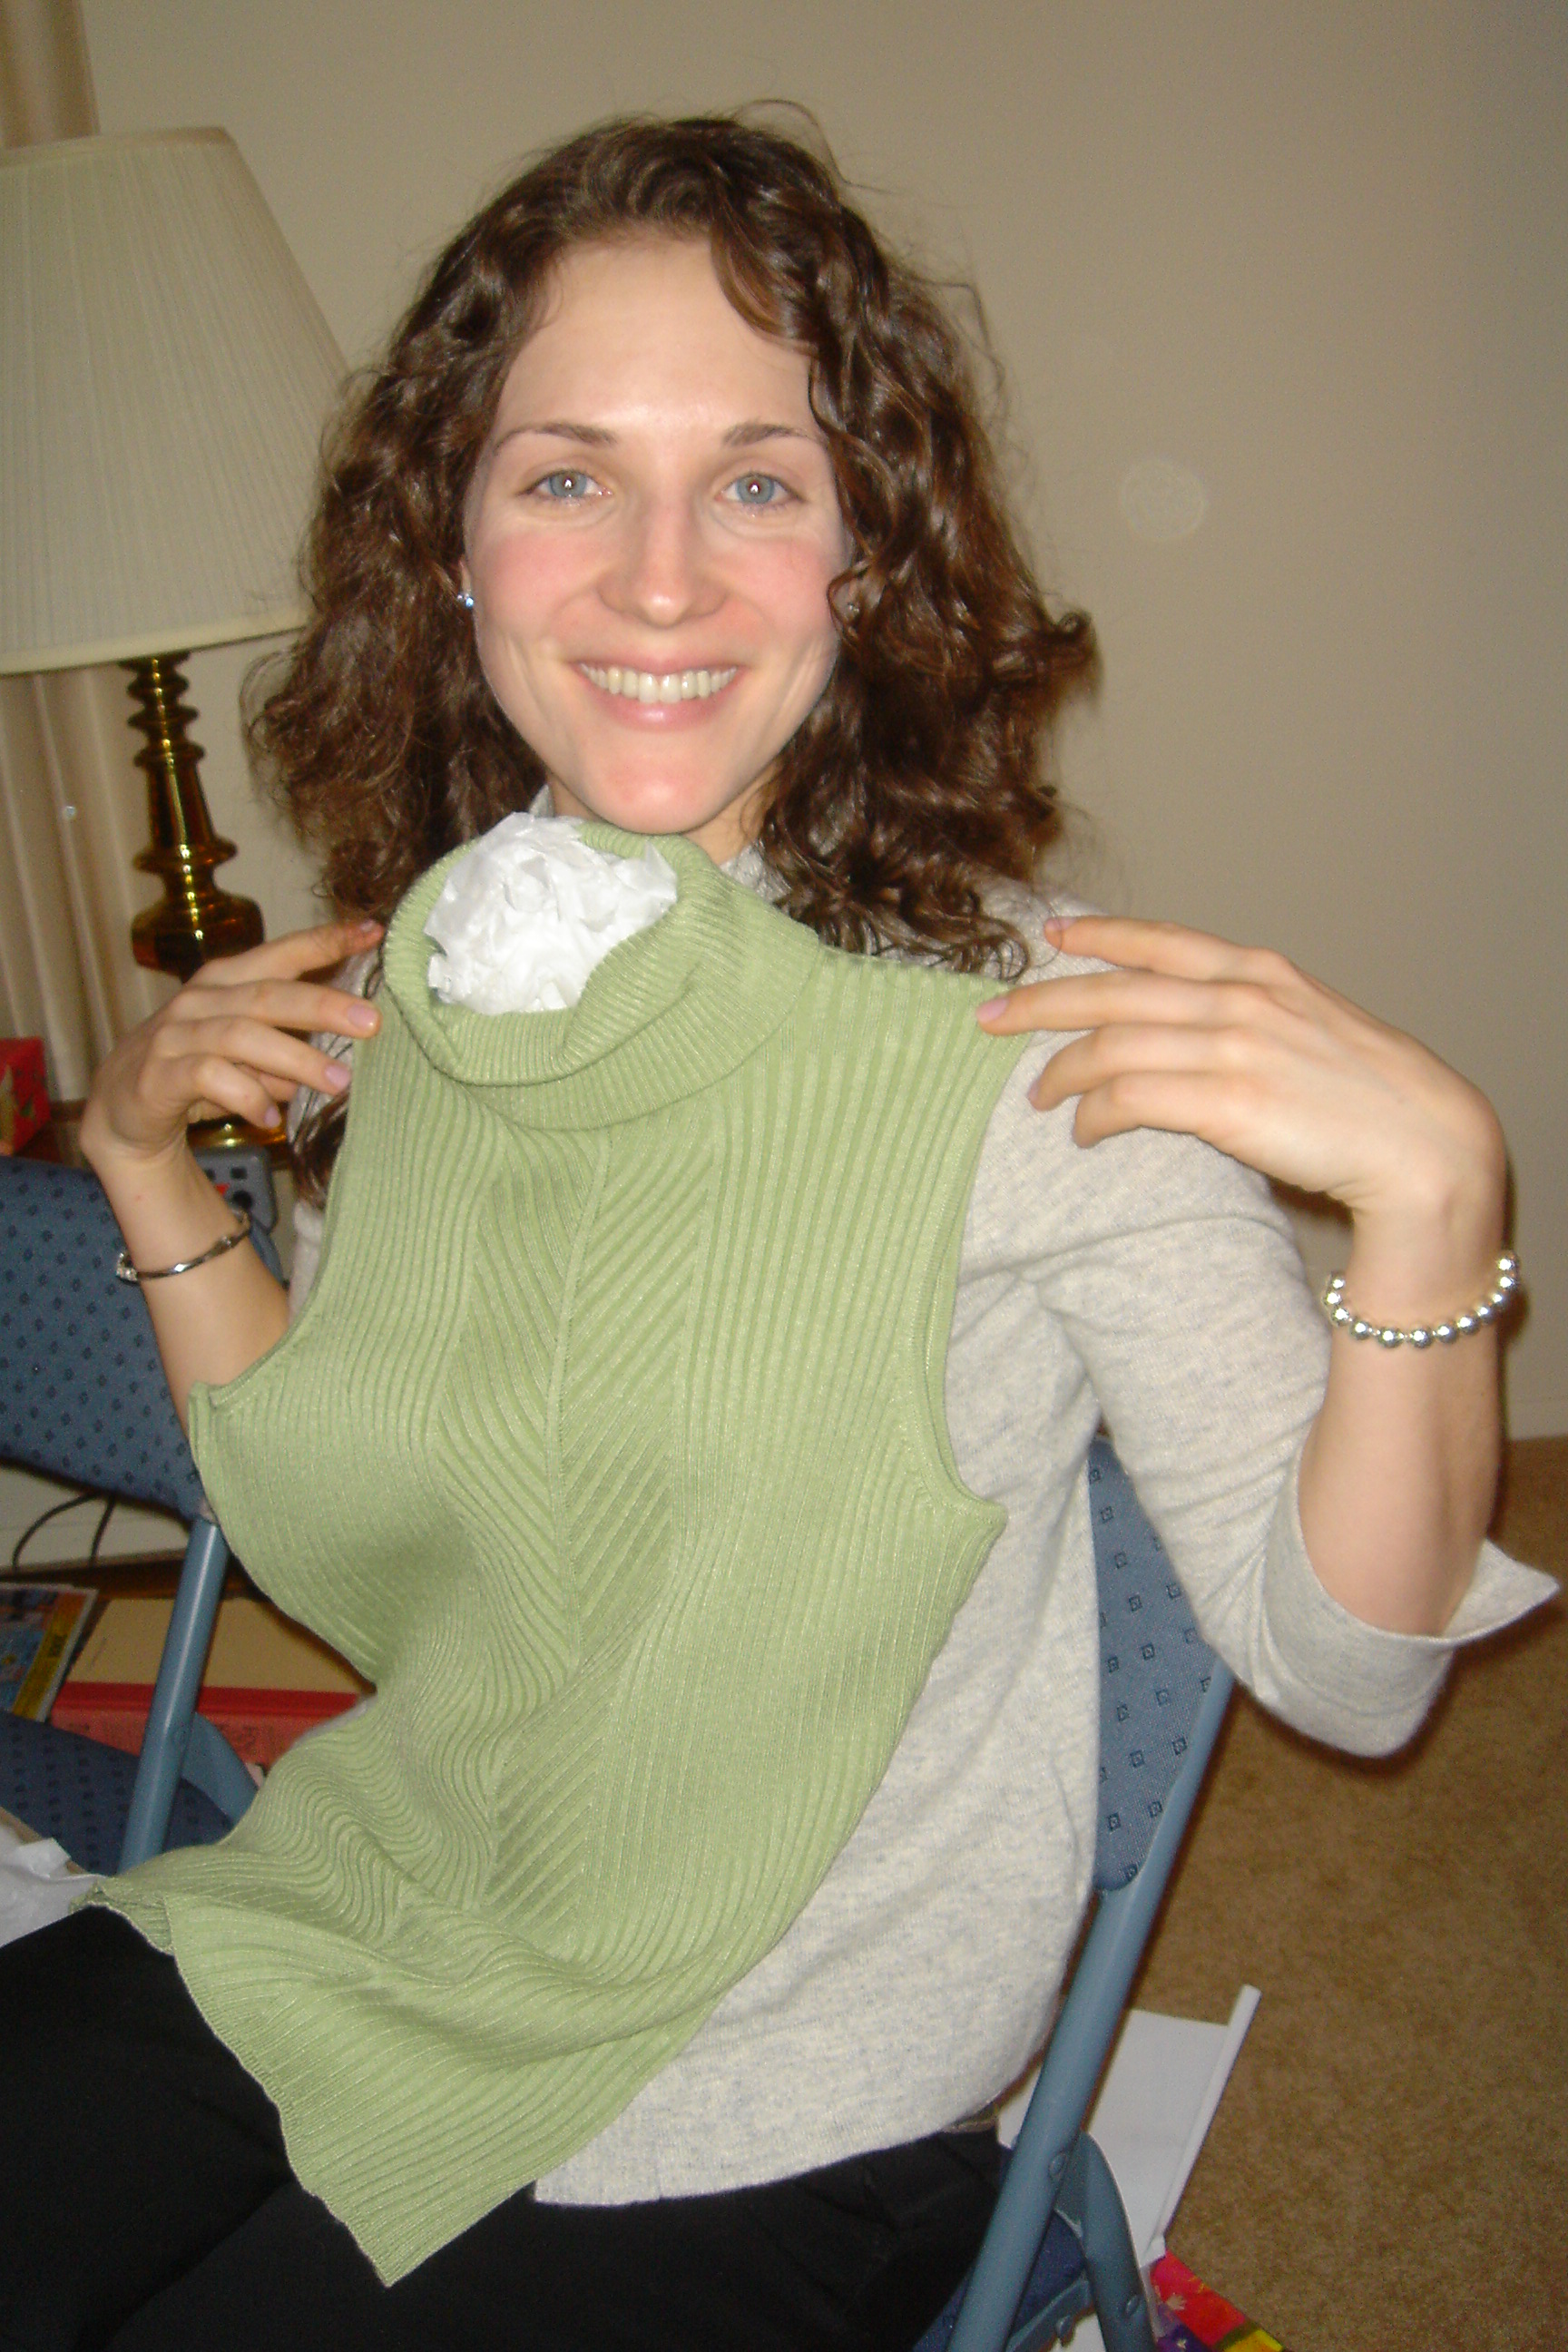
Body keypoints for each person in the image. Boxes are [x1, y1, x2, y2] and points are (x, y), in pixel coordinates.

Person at [2, 113, 1550, 2352]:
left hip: (773, 2081)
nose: (661, 581)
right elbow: (348, 1535)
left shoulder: (1036, 1051)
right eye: (567, 476)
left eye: (757, 481)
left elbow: (1354, 1673)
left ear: (868, 556)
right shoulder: (457, 967)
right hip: (368, 1904)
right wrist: (149, 1161)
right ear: (451, 545)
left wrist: (1436, 1219)